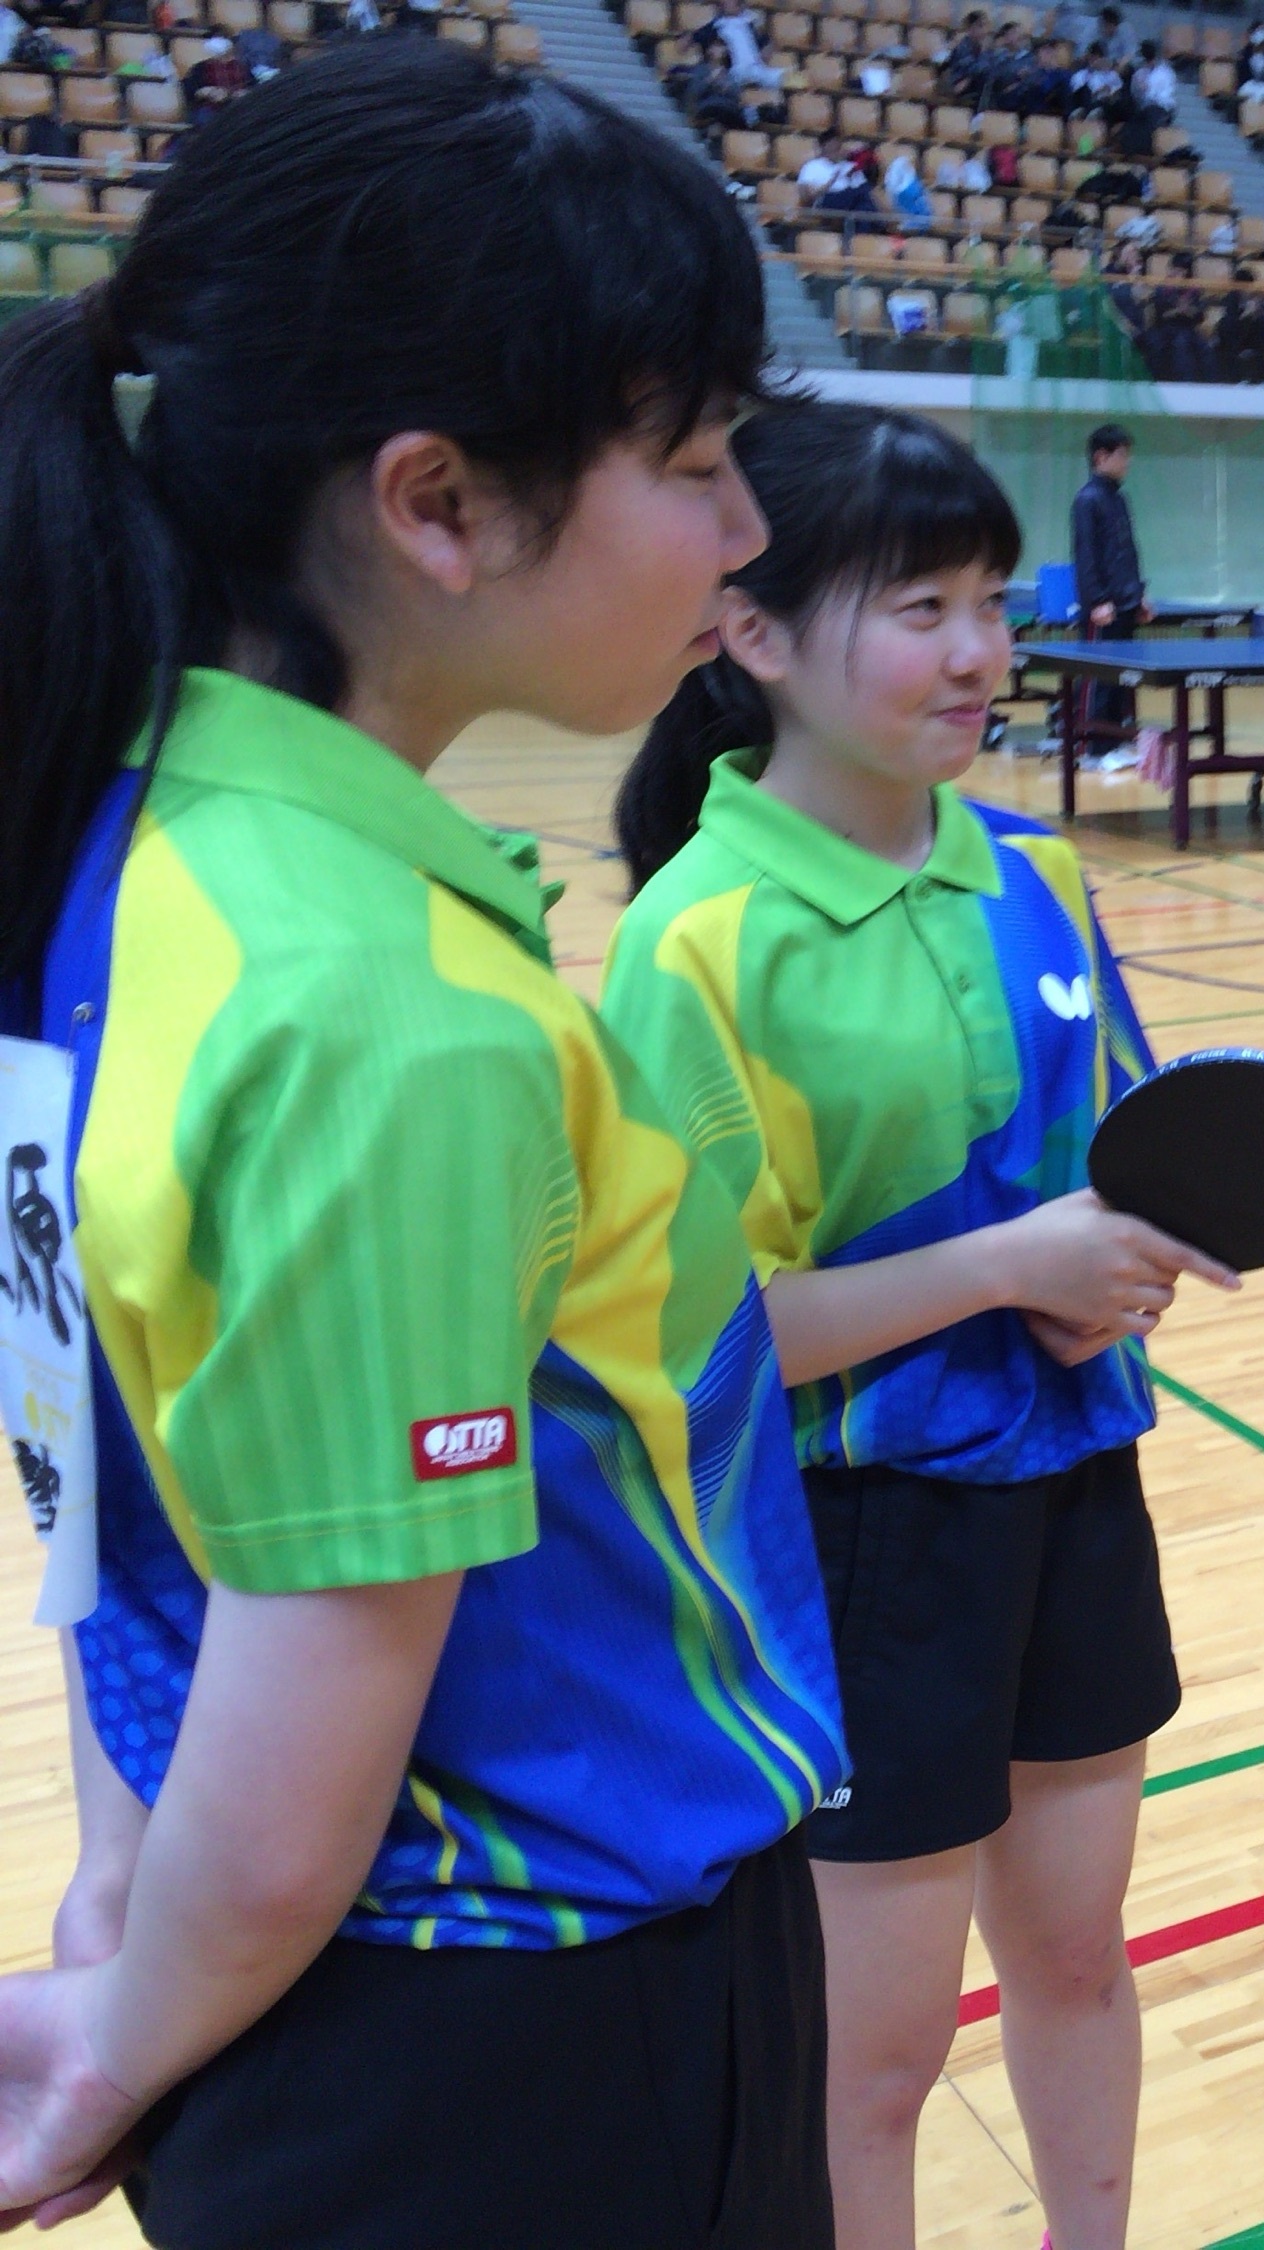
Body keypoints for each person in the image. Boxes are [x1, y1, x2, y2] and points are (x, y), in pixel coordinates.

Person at [0, 40, 849, 2244]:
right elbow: (312, 1714)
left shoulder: (112, 856)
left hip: (291, 1994)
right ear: (438, 503)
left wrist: (125, 1885)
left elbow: (107, 1469)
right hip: (529, 2044)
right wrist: (117, 2034)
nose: (748, 533)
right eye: (698, 461)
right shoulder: (386, 1022)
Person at [605, 402, 1222, 2250]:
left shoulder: (1040, 875)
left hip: (1076, 1491)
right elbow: (694, 1345)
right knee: (870, 2070)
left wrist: (1123, 1270)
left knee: (1080, 1960)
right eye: (921, 606)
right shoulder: (700, 941)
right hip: (853, 1542)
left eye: (993, 602)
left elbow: (1121, 1162)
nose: (979, 652)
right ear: (756, 632)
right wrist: (1011, 1271)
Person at [1070, 422, 1150, 746]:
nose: (1127, 462)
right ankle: (1092, 745)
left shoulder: (1119, 499)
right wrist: (1097, 601)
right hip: (1103, 609)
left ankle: (1115, 743)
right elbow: (1086, 556)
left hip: (1126, 605)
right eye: (1122, 455)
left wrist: (1138, 596)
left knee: (1120, 681)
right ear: (1101, 457)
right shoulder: (1086, 500)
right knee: (1098, 680)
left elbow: (1126, 553)